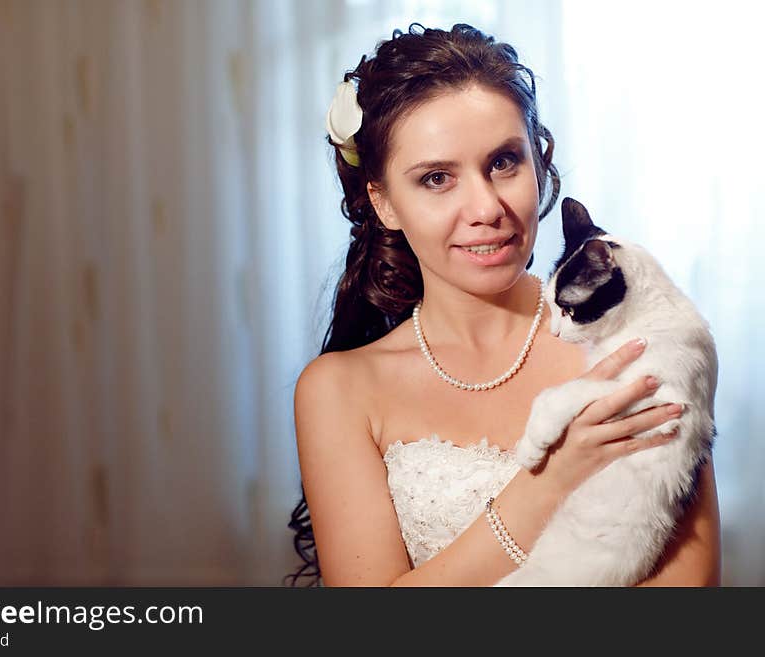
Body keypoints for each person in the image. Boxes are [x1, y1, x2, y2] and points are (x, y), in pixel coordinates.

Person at [285, 23, 720, 587]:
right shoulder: (338, 389)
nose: (486, 207)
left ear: (538, 165)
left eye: (504, 162)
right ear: (383, 201)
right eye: (437, 178)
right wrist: (549, 481)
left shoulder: (640, 341)